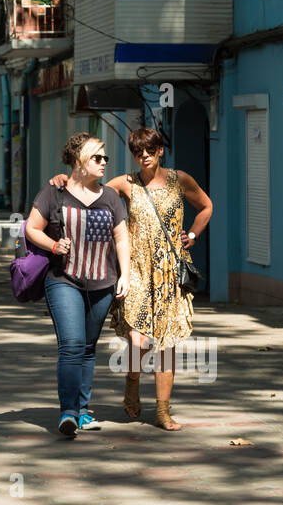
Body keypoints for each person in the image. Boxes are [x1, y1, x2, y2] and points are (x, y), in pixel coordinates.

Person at [50, 127, 212, 430]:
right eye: (139, 152)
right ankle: (133, 379)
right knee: (139, 340)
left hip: (169, 272)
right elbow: (88, 187)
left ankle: (162, 411)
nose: (145, 156)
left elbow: (206, 207)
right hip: (136, 269)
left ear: (160, 151)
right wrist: (63, 179)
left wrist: (192, 234)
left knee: (166, 343)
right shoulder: (126, 183)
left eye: (150, 150)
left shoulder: (181, 180)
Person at [25, 132, 130, 438]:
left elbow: (122, 237)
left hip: (103, 282)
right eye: (97, 157)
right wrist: (54, 245)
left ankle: (83, 411)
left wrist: (125, 275)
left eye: (105, 157)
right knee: (71, 345)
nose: (104, 162)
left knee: (87, 348)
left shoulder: (110, 197)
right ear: (79, 161)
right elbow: (32, 227)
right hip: (64, 280)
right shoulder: (54, 193)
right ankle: (68, 412)